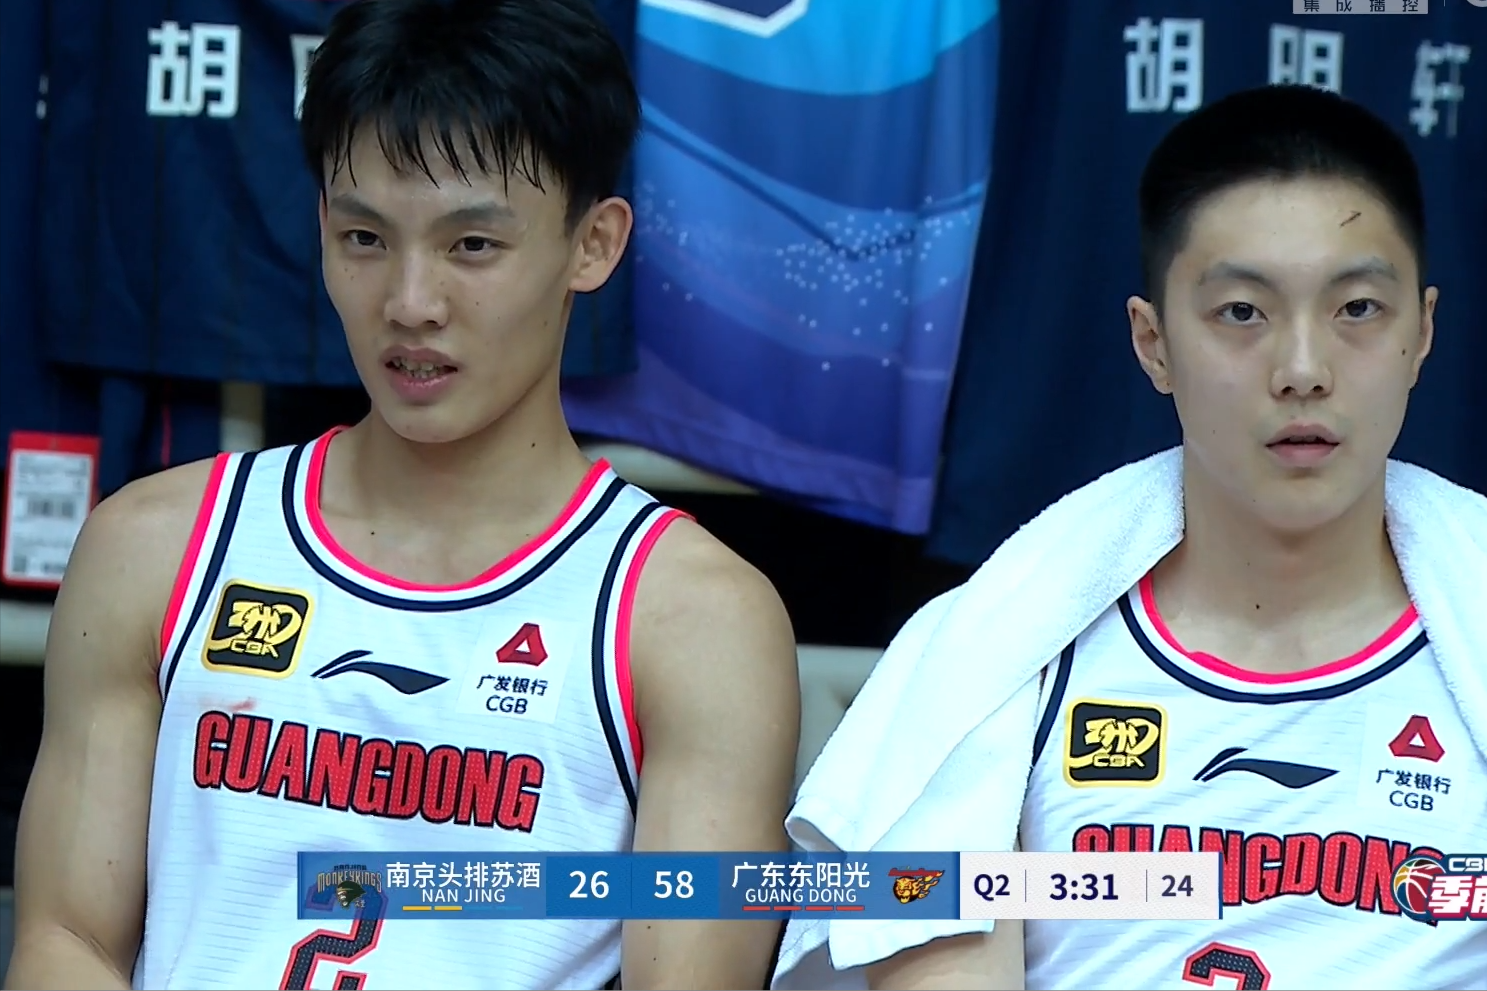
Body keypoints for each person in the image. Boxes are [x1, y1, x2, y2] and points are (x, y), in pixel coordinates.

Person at [5, 1, 801, 989]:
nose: (410, 302)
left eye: (472, 246)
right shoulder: (155, 547)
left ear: (592, 245)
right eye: (365, 237)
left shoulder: (692, 622)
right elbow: (68, 939)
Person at [772, 85, 1487, 991]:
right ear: (1152, 343)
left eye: (1356, 309)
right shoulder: (989, 662)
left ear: (1421, 331)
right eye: (1242, 312)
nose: (1302, 369)